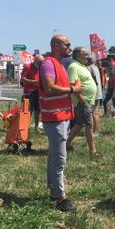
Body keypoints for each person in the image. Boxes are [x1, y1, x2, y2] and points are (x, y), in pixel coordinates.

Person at [39, 35, 82, 212]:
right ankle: (61, 198)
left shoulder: (59, 64)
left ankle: (53, 190)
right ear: (57, 46)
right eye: (67, 44)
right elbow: (49, 87)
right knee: (60, 158)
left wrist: (72, 86)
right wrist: (72, 89)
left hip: (61, 116)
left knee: (54, 156)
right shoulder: (49, 64)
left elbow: (57, 86)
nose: (70, 48)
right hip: (54, 117)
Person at [65, 47, 98, 156]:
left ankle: (67, 144)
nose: (88, 57)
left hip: (88, 100)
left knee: (79, 123)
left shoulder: (82, 66)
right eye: (85, 54)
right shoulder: (73, 67)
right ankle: (92, 150)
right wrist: (82, 101)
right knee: (89, 124)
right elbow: (72, 86)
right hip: (82, 101)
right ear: (78, 55)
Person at [20, 54, 44, 131]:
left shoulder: (41, 68)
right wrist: (34, 82)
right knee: (28, 110)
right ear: (35, 61)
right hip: (29, 92)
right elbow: (23, 80)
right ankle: (25, 128)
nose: (41, 64)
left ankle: (36, 127)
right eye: (40, 62)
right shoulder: (28, 67)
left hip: (38, 91)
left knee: (38, 110)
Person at [89, 58, 104, 137]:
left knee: (93, 113)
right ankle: (96, 130)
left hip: (93, 93)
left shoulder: (89, 68)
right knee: (95, 112)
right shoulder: (95, 67)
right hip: (98, 92)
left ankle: (95, 131)